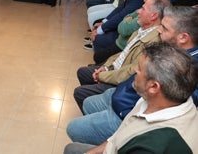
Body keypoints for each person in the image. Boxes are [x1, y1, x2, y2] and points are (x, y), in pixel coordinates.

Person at [67, 6, 198, 146]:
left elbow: (160, 109)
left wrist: (125, 118)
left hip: (126, 112)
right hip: (123, 93)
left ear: (183, 37)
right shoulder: (173, 50)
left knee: (73, 130)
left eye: (164, 28)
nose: (158, 30)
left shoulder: (189, 69)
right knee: (87, 102)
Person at [65, 42, 198, 154]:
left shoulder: (154, 145)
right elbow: (118, 137)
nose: (134, 70)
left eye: (139, 69)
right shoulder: (153, 100)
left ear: (153, 86)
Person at [75, 0, 167, 112]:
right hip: (115, 69)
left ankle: (99, 112)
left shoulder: (153, 41)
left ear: (153, 16)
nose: (138, 11)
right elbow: (123, 53)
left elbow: (130, 72)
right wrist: (106, 67)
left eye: (143, 9)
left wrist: (103, 76)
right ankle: (95, 104)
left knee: (80, 92)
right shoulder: (141, 30)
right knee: (83, 72)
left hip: (121, 80)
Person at [92, 0, 172, 64]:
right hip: (123, 42)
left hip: (124, 47)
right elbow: (124, 16)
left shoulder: (155, 12)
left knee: (97, 54)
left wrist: (127, 19)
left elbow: (123, 29)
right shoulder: (149, 5)